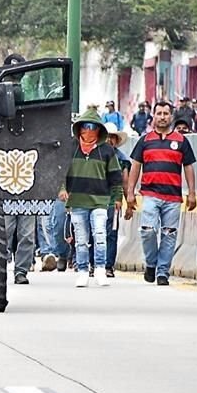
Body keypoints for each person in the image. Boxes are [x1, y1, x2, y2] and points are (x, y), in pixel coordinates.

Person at [124, 100, 197, 285]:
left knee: (169, 234)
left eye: (166, 113)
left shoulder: (181, 141)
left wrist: (191, 193)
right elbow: (135, 167)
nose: (163, 117)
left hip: (173, 196)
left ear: (171, 116)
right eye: (159, 113)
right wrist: (130, 192)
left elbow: (188, 167)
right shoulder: (145, 141)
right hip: (150, 194)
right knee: (147, 230)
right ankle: (151, 264)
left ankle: (163, 272)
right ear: (153, 116)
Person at [60, 110, 124, 287]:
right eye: (85, 127)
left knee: (100, 234)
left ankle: (100, 269)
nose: (89, 130)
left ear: (99, 130)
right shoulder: (70, 149)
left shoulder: (107, 151)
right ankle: (82, 270)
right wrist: (63, 189)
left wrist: (118, 198)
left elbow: (116, 177)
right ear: (79, 129)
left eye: (93, 127)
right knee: (81, 239)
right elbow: (61, 173)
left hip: (100, 200)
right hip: (77, 200)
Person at [88, 123, 131, 279]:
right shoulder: (92, 155)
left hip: (113, 201)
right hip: (95, 200)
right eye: (107, 137)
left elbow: (125, 182)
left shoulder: (122, 159)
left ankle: (108, 266)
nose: (109, 140)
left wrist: (128, 203)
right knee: (95, 232)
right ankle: (94, 264)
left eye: (112, 137)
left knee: (111, 234)